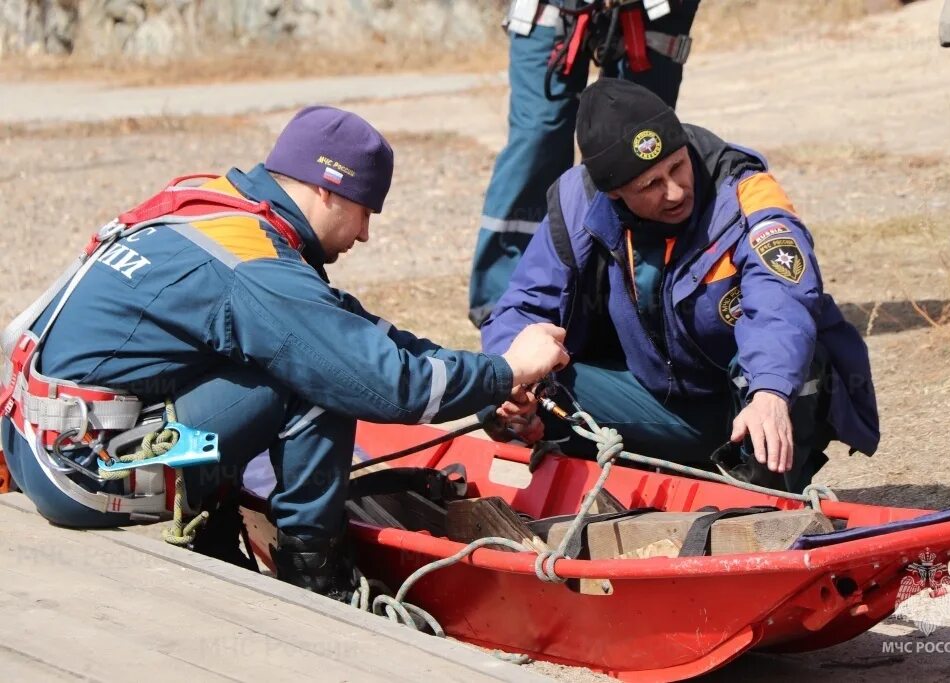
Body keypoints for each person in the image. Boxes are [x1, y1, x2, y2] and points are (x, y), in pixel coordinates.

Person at [0, 106, 569, 593]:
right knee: (320, 381)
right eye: (366, 210)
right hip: (88, 473)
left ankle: (216, 533)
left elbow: (346, 327)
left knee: (305, 354)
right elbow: (377, 382)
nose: (366, 234)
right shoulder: (256, 270)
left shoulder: (211, 206)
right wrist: (509, 369)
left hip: (36, 443)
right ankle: (317, 581)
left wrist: (486, 374)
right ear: (327, 190)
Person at [481, 79, 880, 492]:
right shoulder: (576, 203)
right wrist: (514, 382)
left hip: (750, 403)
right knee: (502, 378)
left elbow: (781, 301)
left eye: (677, 166)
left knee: (801, 355)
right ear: (615, 195)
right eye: (650, 185)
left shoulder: (746, 192)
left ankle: (766, 500)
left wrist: (771, 393)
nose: (673, 192)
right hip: (659, 401)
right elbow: (523, 307)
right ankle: (616, 486)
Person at [468, 0, 702, 327]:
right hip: (553, 7)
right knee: (538, 136)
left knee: (643, 148)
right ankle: (506, 310)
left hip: (651, 9)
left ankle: (637, 298)